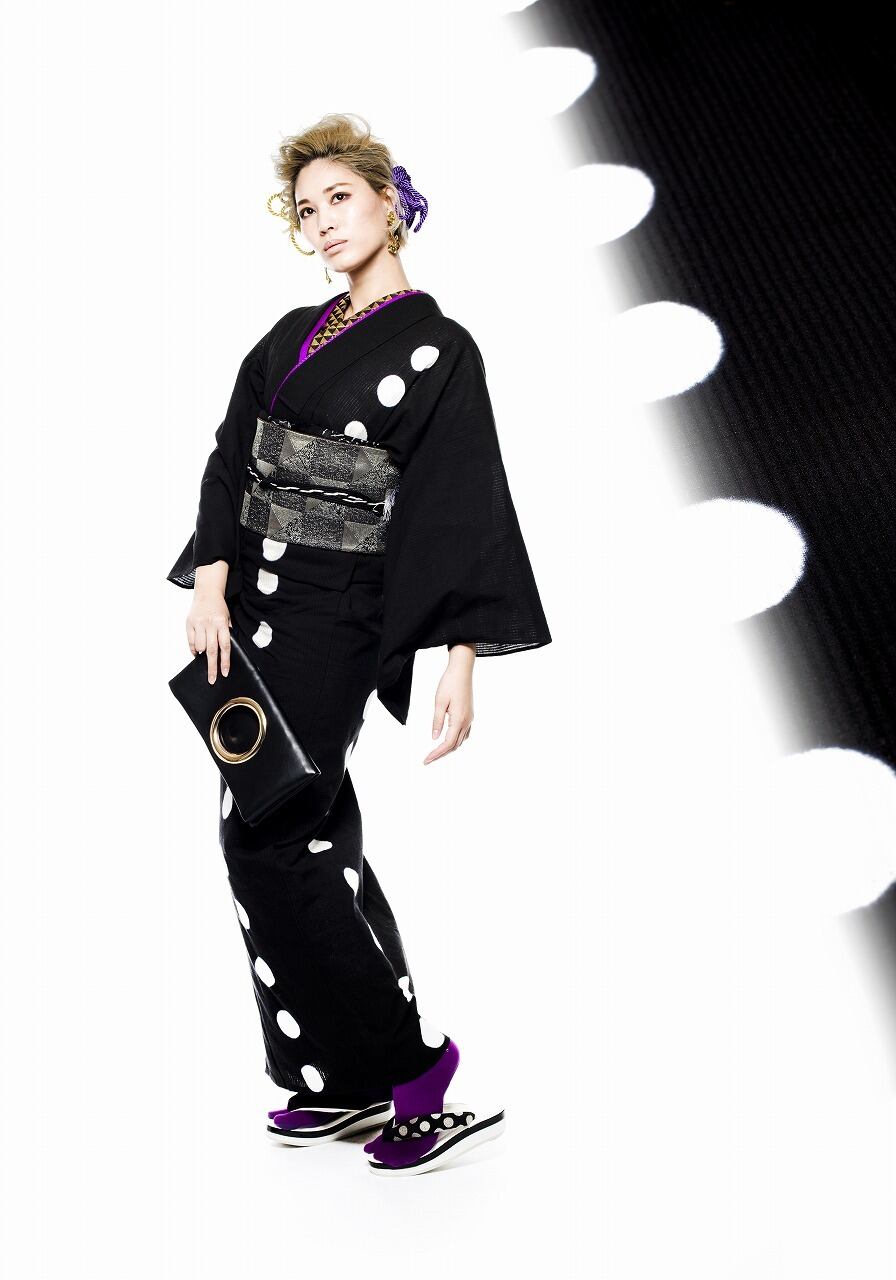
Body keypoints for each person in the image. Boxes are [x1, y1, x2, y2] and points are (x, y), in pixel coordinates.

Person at [166, 112, 552, 1176]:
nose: (324, 221)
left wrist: (460, 657)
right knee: (300, 835)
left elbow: (459, 504)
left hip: (339, 616)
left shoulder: (439, 349)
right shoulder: (291, 331)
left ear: (391, 201)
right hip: (251, 614)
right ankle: (337, 1077)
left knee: (269, 835)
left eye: (340, 197)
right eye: (307, 209)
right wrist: (210, 582)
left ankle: (412, 1068)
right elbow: (230, 455)